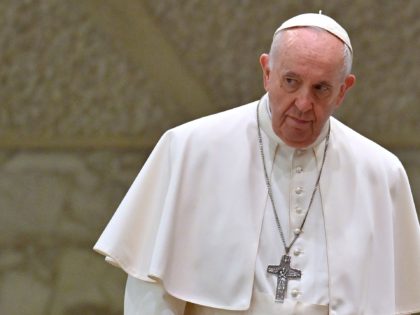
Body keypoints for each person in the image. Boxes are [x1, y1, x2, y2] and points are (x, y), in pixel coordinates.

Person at [94, 12, 420, 315]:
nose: (304, 104)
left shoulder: (381, 174)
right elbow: (150, 293)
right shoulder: (191, 149)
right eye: (291, 82)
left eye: (321, 88)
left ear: (343, 91)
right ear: (267, 72)